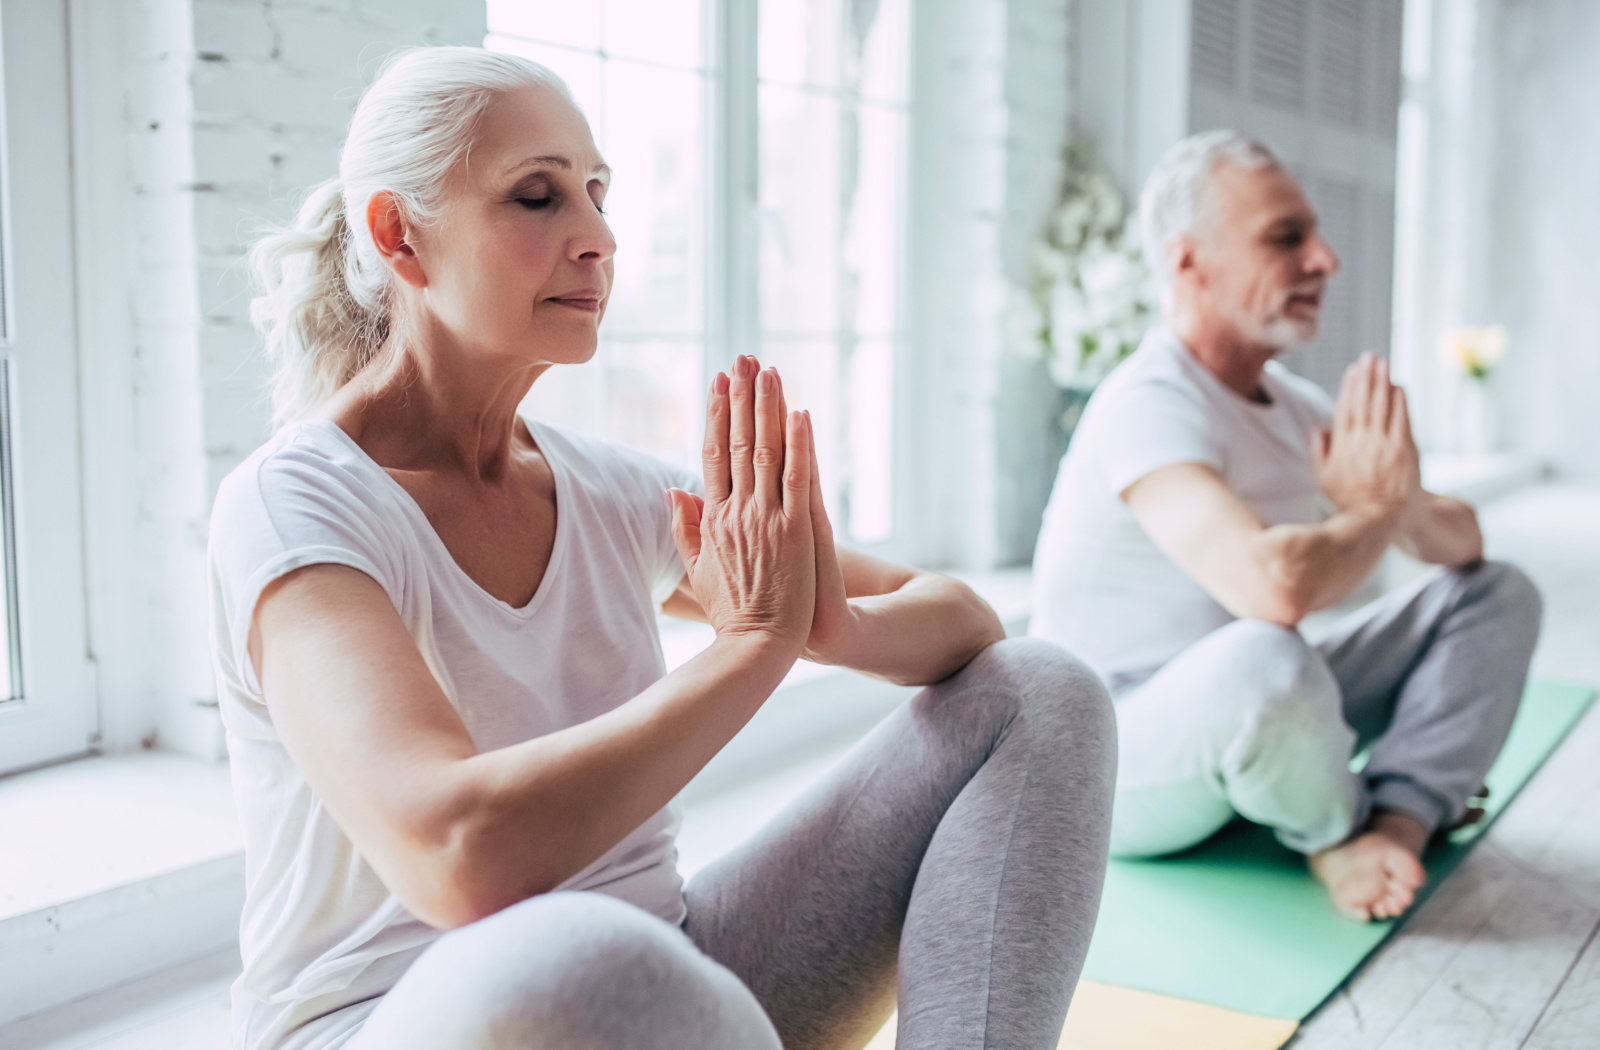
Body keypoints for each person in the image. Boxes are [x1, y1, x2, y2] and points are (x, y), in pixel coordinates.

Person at [208, 46, 1116, 1050]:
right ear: (399, 236)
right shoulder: (296, 505)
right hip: (417, 1020)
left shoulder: (605, 490)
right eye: (537, 196)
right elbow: (457, 858)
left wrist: (822, 620)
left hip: (670, 990)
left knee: (1039, 690)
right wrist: (751, 646)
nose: (597, 237)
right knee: (587, 964)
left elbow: (959, 619)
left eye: (597, 192)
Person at [1030, 129, 1541, 923]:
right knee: (1268, 652)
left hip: (1257, 708)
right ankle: (1332, 832)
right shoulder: (1147, 400)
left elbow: (1462, 543)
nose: (1326, 259)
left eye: (1315, 235)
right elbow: (1274, 587)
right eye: (1286, 238)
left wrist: (1397, 499)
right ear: (1188, 261)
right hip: (1111, 759)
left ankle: (1394, 823)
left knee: (1498, 593)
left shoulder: (1297, 407)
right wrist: (1373, 509)